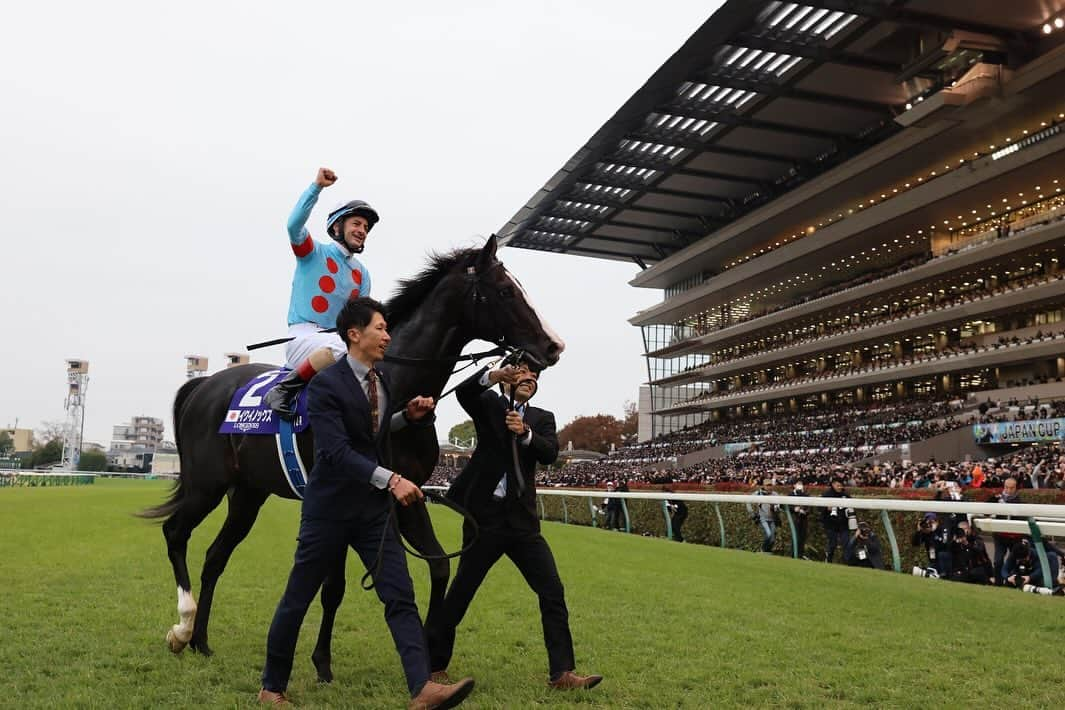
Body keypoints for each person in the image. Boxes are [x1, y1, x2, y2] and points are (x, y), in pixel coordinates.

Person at [258, 298, 474, 709]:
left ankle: (422, 689)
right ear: (354, 334)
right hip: (329, 512)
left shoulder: (383, 381)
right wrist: (391, 478)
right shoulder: (323, 384)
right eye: (380, 328)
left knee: (399, 595)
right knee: (298, 598)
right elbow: (337, 451)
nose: (388, 335)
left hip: (372, 513)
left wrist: (408, 417)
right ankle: (272, 687)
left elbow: (372, 434)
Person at [427, 358, 602, 691]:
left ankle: (562, 673)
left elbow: (549, 453)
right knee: (462, 591)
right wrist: (493, 375)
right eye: (522, 370)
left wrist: (525, 434)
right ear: (507, 376)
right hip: (485, 519)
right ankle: (434, 664)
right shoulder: (490, 405)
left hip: (523, 524)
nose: (530, 377)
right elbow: (464, 393)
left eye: (535, 374)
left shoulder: (541, 418)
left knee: (552, 590)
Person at [264, 167, 382, 419]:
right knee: (349, 347)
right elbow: (293, 225)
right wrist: (316, 187)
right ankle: (283, 390)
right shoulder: (313, 253)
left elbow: (361, 322)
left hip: (336, 341)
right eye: (357, 223)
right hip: (302, 337)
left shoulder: (362, 274)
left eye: (366, 227)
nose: (362, 230)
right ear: (337, 226)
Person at [820, 477, 852, 563]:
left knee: (846, 543)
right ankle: (828, 560)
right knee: (832, 544)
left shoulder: (845, 495)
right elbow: (820, 509)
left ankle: (849, 563)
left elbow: (852, 508)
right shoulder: (826, 494)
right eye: (838, 485)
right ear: (833, 484)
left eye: (841, 486)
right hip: (831, 524)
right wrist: (826, 509)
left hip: (843, 524)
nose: (840, 487)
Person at [747, 478, 778, 553]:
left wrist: (776, 508)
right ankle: (763, 550)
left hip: (773, 518)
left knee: (773, 538)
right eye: (767, 485)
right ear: (764, 486)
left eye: (770, 485)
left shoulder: (775, 494)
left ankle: (767, 552)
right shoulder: (758, 493)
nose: (769, 487)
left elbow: (779, 505)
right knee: (769, 534)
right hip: (763, 518)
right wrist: (752, 513)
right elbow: (748, 501)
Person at [787, 480, 810, 559]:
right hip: (794, 518)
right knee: (795, 537)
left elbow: (809, 506)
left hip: (803, 518)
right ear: (794, 485)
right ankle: (793, 555)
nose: (800, 485)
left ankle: (800, 554)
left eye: (801, 484)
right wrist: (794, 509)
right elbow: (788, 506)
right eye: (798, 484)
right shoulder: (790, 495)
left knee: (802, 537)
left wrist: (805, 510)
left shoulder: (806, 495)